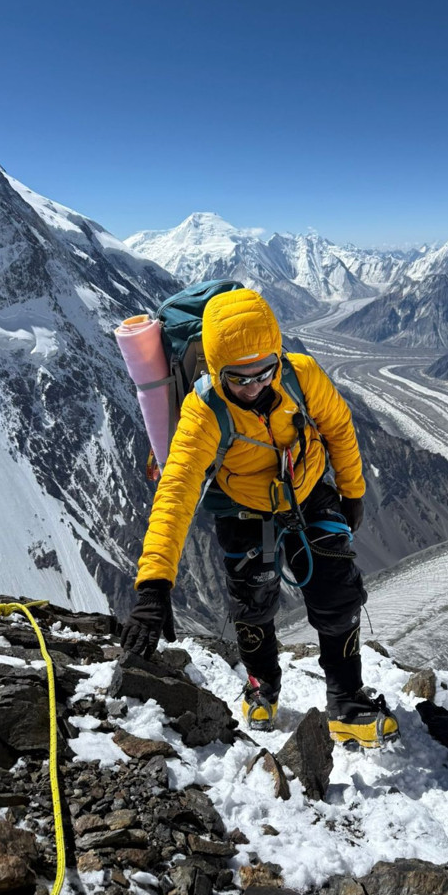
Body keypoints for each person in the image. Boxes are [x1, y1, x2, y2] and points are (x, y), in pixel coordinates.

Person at [120, 288, 398, 748]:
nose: (254, 386)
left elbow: (338, 426)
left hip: (307, 494)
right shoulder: (203, 411)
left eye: (265, 372)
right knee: (253, 602)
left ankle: (347, 702)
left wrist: (353, 490)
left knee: (338, 593)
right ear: (214, 369)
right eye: (239, 378)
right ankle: (261, 685)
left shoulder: (300, 375)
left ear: (277, 356)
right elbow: (176, 493)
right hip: (244, 508)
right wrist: (153, 586)